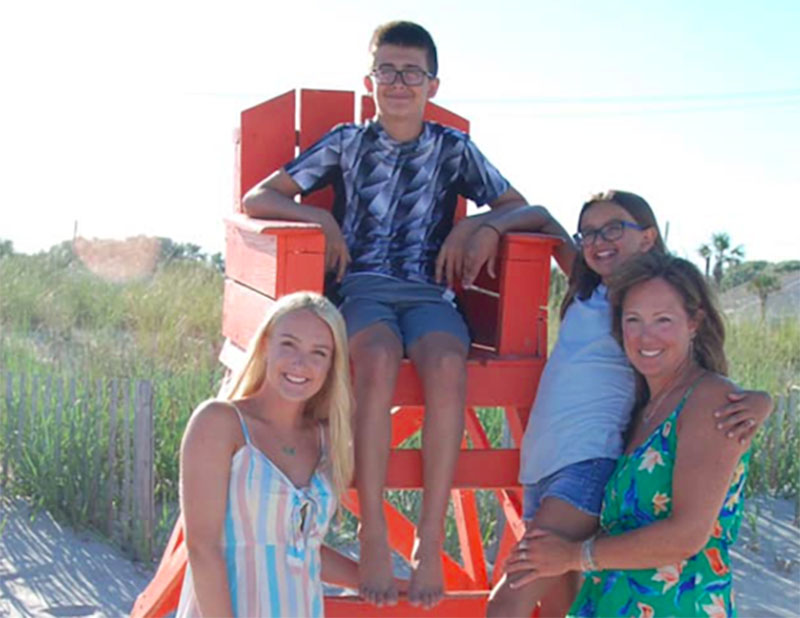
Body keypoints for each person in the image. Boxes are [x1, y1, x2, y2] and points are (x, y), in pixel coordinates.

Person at [242, 21, 534, 609]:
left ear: (432, 83)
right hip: (366, 291)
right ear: (369, 78)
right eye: (387, 71)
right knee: (373, 360)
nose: (399, 83)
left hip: (431, 295)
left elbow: (516, 206)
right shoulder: (348, 143)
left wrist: (479, 223)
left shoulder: (452, 149)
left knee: (448, 366)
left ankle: (429, 539)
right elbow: (259, 198)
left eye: (412, 73)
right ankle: (373, 534)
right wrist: (321, 221)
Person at [478, 191, 772, 617]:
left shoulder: (708, 400)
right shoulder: (641, 405)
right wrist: (483, 226)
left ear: (694, 321)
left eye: (663, 320)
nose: (644, 335)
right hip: (556, 489)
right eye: (632, 321)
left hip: (666, 590)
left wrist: (763, 401)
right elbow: (543, 218)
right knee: (554, 599)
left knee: (508, 602)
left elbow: (689, 534)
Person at [176, 292, 359, 617]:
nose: (301, 363)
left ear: (332, 366)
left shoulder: (326, 439)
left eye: (319, 353)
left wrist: (377, 579)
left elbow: (300, 547)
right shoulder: (220, 423)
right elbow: (202, 548)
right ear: (264, 346)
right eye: (288, 344)